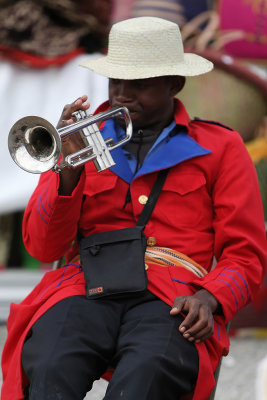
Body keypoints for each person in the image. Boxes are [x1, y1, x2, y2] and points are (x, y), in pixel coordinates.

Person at [1, 16, 267, 400]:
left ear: (174, 85)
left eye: (139, 85)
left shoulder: (220, 148)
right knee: (49, 361)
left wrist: (210, 298)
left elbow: (245, 254)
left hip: (172, 295)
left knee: (149, 373)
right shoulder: (78, 143)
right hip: (85, 285)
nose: (123, 95)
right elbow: (43, 249)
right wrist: (67, 173)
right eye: (116, 83)